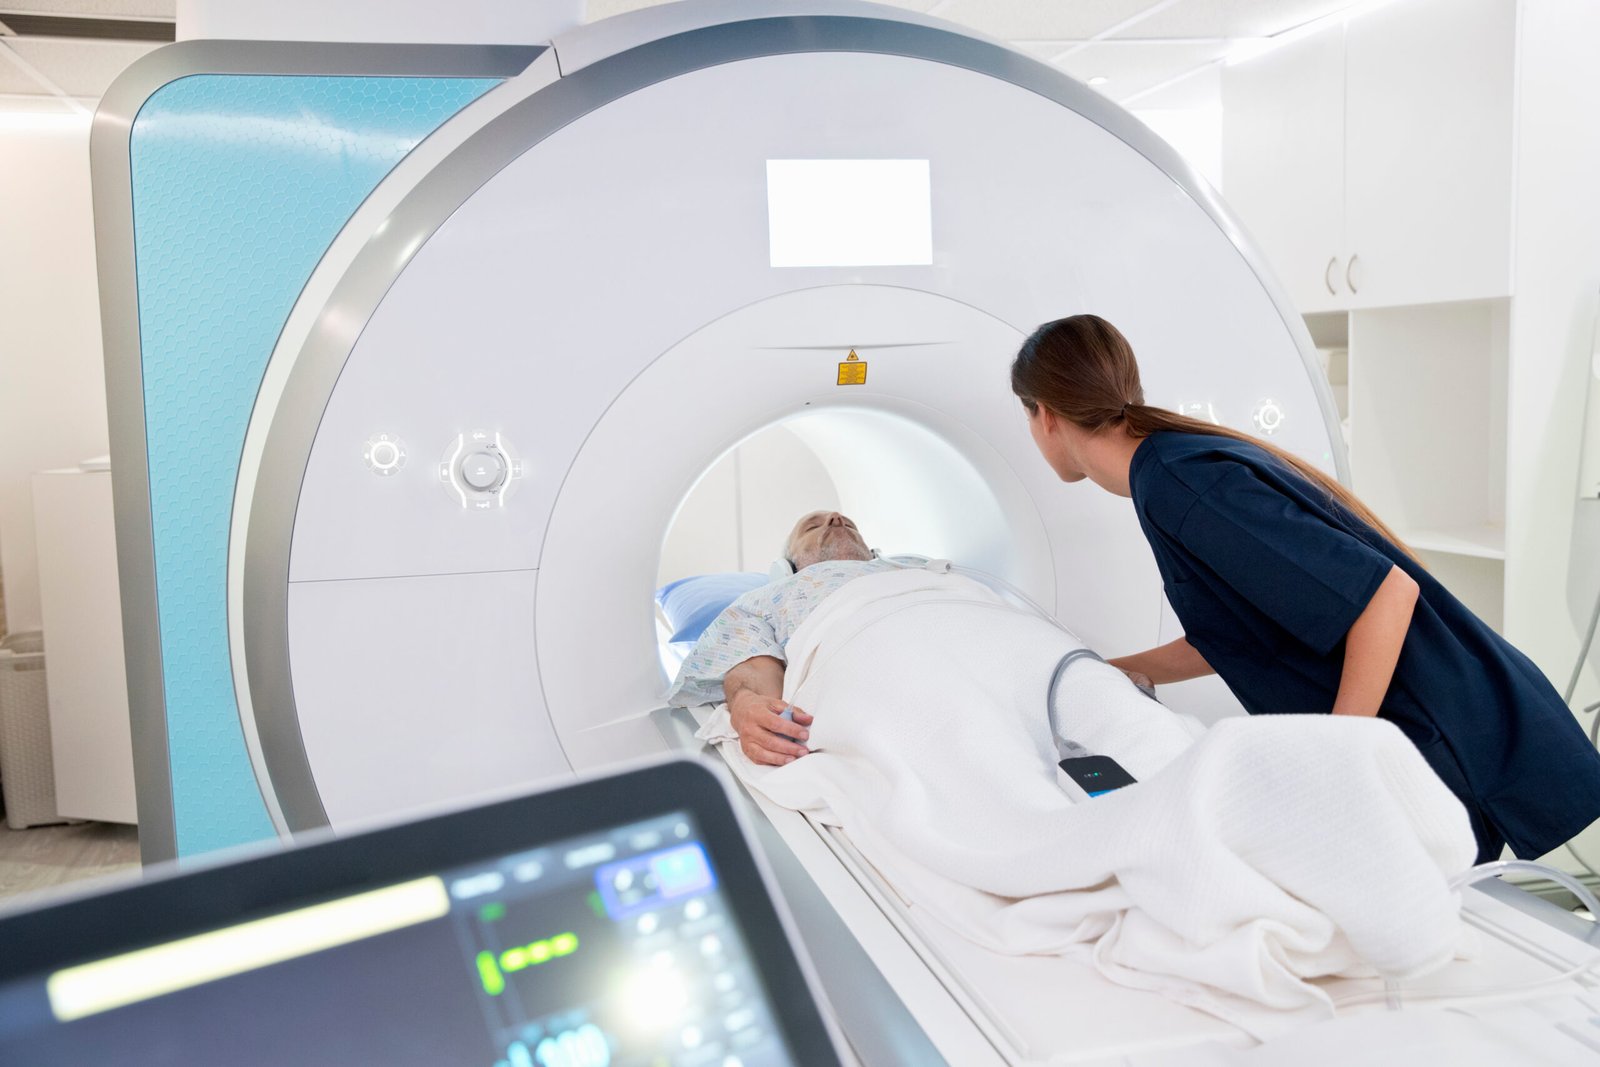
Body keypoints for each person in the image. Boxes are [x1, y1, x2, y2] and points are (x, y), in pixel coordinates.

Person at [1011, 313, 1600, 864]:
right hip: (1432, 728)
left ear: (1047, 415)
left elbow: (1386, 595)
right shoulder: (1169, 469)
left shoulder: (1177, 482)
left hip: (1440, 736)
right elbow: (1236, 637)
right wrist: (1110, 673)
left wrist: (1336, 755)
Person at [665, 510, 895, 766]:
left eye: (849, 524)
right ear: (786, 566)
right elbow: (754, 668)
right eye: (812, 527)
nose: (836, 518)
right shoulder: (766, 599)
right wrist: (746, 702)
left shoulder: (915, 567)